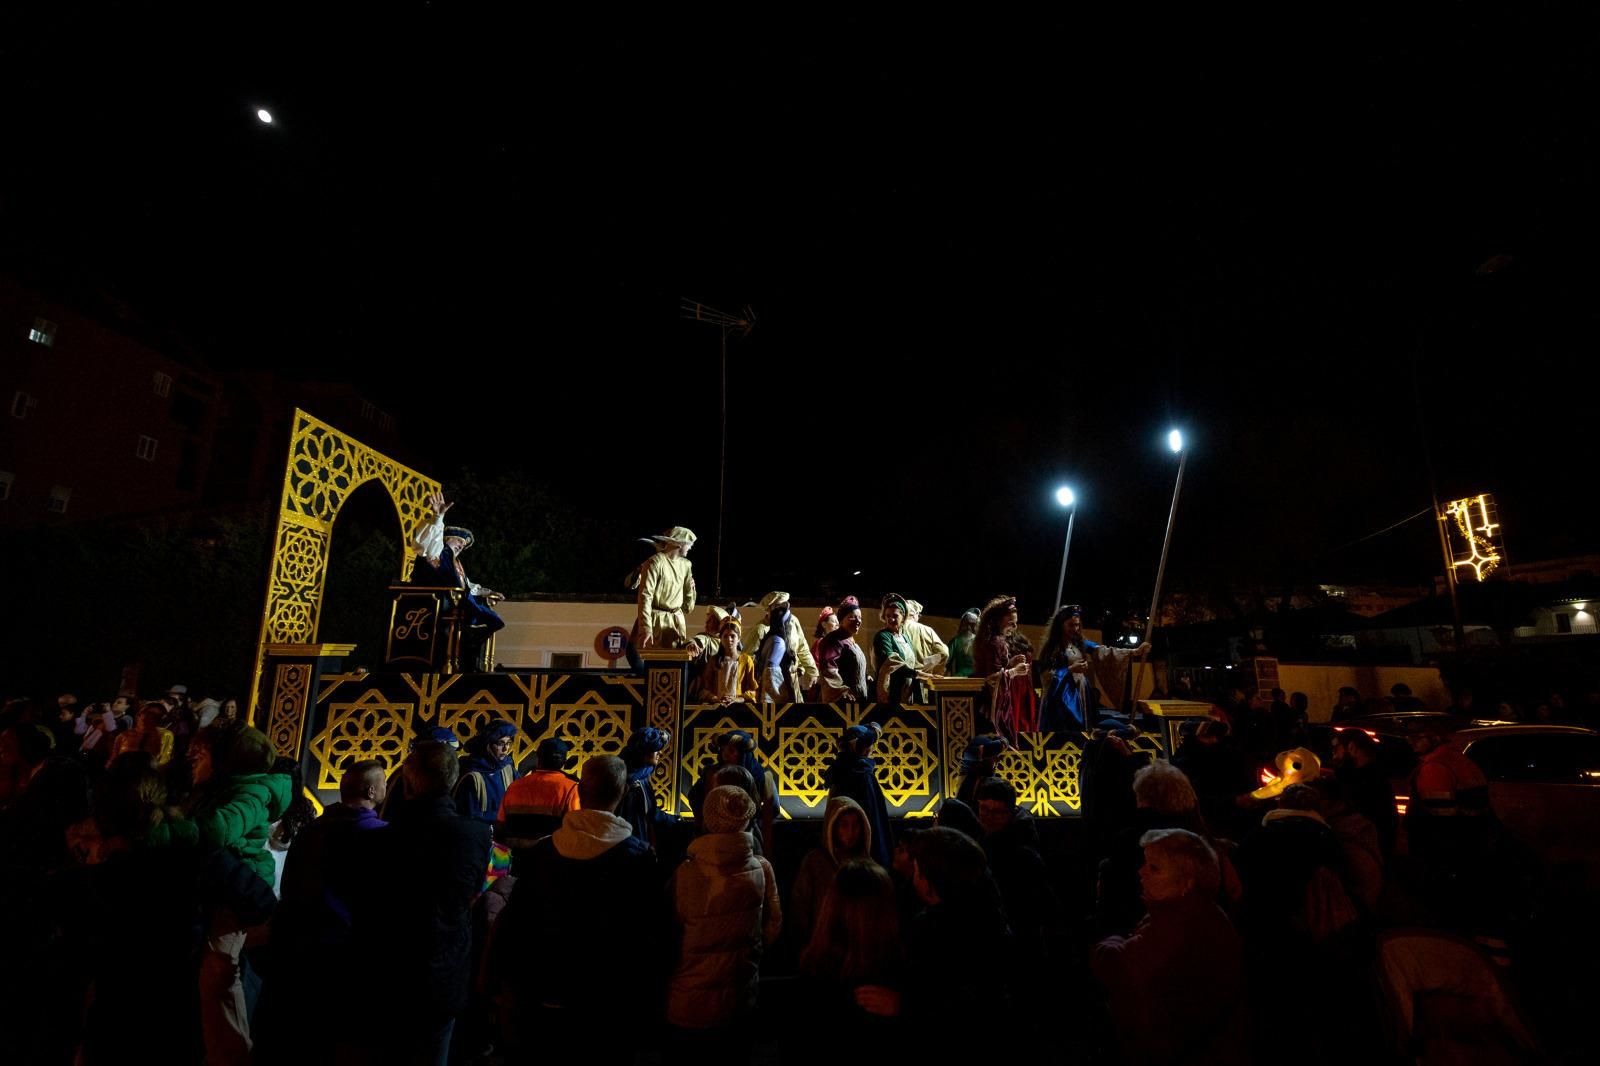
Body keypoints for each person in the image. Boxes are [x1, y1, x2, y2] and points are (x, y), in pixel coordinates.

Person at [487, 756, 660, 1058]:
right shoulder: (639, 857)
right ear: (621, 793)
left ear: (580, 790)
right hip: (608, 999)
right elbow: (646, 934)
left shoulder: (543, 852)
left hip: (544, 989)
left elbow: (517, 921)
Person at [349, 741, 493, 1066]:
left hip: (384, 975)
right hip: (444, 974)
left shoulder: (376, 840)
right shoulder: (480, 836)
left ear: (409, 783)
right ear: (454, 781)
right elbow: (484, 891)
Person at [1091, 828, 1248, 1065]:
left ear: (1186, 883)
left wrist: (1111, 940)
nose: (1141, 872)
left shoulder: (1178, 922)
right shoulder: (1190, 910)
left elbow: (1113, 964)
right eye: (1146, 863)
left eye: (1154, 868)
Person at [665, 785, 782, 1058]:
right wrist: (752, 957)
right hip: (740, 999)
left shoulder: (685, 873)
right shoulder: (761, 868)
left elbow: (668, 935)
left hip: (688, 1002)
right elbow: (773, 923)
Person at [411, 491, 505, 671]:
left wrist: (487, 592)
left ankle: (470, 653)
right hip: (437, 606)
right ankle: (466, 654)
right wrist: (438, 518)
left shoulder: (456, 562)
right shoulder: (437, 551)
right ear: (446, 539)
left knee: (493, 621)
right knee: (484, 621)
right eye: (458, 542)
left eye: (462, 546)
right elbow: (425, 544)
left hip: (459, 603)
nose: (461, 547)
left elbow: (468, 585)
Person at [1036, 604, 1149, 733]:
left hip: (1081, 691)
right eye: (1071, 625)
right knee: (1069, 726)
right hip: (1062, 696)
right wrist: (1070, 669)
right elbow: (1046, 675)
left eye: (1077, 625)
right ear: (1060, 625)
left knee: (1086, 726)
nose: (1075, 628)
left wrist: (1134, 652)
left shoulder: (1079, 643)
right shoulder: (1052, 648)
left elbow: (1103, 651)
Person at [789, 796, 873, 952]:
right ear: (833, 827)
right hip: (822, 947)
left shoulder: (866, 865)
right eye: (844, 825)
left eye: (856, 825)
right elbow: (800, 909)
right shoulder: (815, 862)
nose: (851, 832)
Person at [824, 722, 894, 869]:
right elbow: (873, 819)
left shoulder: (838, 769)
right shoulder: (863, 774)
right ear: (866, 749)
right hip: (864, 854)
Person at [497, 736, 580, 851]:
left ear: (539, 758)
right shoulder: (571, 788)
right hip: (549, 859)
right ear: (564, 762)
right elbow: (575, 829)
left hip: (515, 860)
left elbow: (500, 824)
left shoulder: (514, 786)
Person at [973, 596, 1034, 741]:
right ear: (997, 620)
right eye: (1011, 622)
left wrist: (1010, 664)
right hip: (990, 705)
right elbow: (992, 679)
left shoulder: (994, 640)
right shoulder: (995, 642)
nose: (1014, 627)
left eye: (1016, 623)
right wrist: (1015, 671)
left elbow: (998, 669)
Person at [633, 526, 698, 651]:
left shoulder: (686, 565)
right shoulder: (655, 563)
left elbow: (687, 608)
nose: (690, 548)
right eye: (689, 544)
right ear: (679, 544)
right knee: (658, 664)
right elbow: (645, 597)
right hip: (658, 622)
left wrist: (691, 590)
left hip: (677, 623)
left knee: (676, 665)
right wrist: (646, 628)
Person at [749, 591, 821, 696]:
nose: (785, 609)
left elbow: (802, 647)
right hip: (771, 684)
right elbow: (749, 657)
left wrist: (811, 670)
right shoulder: (761, 629)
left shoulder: (793, 622)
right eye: (779, 606)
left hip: (792, 680)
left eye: (786, 604)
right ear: (769, 609)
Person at [454, 720, 518, 825]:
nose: (506, 749)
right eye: (500, 743)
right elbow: (467, 818)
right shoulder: (472, 776)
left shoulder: (508, 770)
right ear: (487, 745)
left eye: (508, 743)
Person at [617, 726, 671, 847]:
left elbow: (650, 812)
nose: (660, 753)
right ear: (643, 752)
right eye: (656, 749)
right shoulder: (621, 778)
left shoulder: (642, 776)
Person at [872, 593, 931, 704]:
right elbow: (892, 662)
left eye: (895, 616)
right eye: (888, 616)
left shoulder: (905, 637)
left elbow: (910, 663)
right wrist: (918, 673)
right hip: (891, 691)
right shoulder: (883, 636)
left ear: (903, 617)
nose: (891, 619)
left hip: (906, 689)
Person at [817, 596, 870, 703]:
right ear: (841, 620)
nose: (858, 621)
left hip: (858, 703)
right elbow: (829, 670)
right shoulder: (833, 640)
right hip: (842, 706)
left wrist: (865, 677)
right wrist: (841, 691)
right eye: (852, 617)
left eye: (860, 618)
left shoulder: (852, 642)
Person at [697, 617, 758, 706]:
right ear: (721, 639)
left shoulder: (746, 660)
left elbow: (753, 690)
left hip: (739, 709)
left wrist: (738, 699)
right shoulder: (714, 660)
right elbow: (705, 688)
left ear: (738, 639)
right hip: (717, 708)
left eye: (732, 636)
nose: (729, 640)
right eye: (725, 636)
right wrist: (715, 698)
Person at [954, 734, 1009, 806]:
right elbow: (994, 747)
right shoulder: (970, 753)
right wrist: (1004, 741)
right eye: (993, 755)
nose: (997, 760)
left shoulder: (986, 773)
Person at [903, 600, 949, 678]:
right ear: (915, 614)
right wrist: (928, 668)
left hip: (900, 679)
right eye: (919, 615)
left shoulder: (896, 629)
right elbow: (944, 653)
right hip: (922, 679)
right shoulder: (928, 630)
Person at [946, 608, 981, 678]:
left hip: (962, 678)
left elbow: (946, 661)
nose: (968, 627)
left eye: (971, 624)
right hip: (976, 679)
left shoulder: (956, 641)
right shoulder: (981, 641)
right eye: (967, 624)